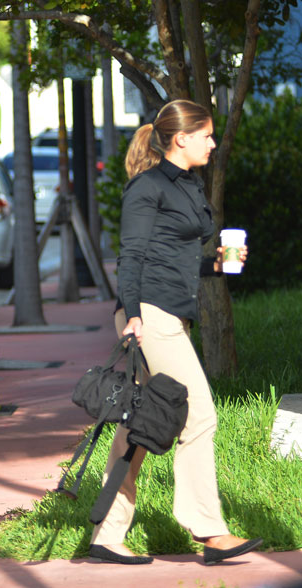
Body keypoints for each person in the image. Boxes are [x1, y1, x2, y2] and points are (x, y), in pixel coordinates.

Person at [88, 99, 261, 566]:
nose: (213, 141)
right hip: (149, 315)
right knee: (199, 413)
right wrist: (132, 313)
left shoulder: (187, 185)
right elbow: (132, 256)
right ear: (180, 138)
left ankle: (107, 531)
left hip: (169, 312)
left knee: (144, 425)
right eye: (205, 134)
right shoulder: (146, 189)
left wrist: (217, 265)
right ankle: (208, 529)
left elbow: (173, 256)